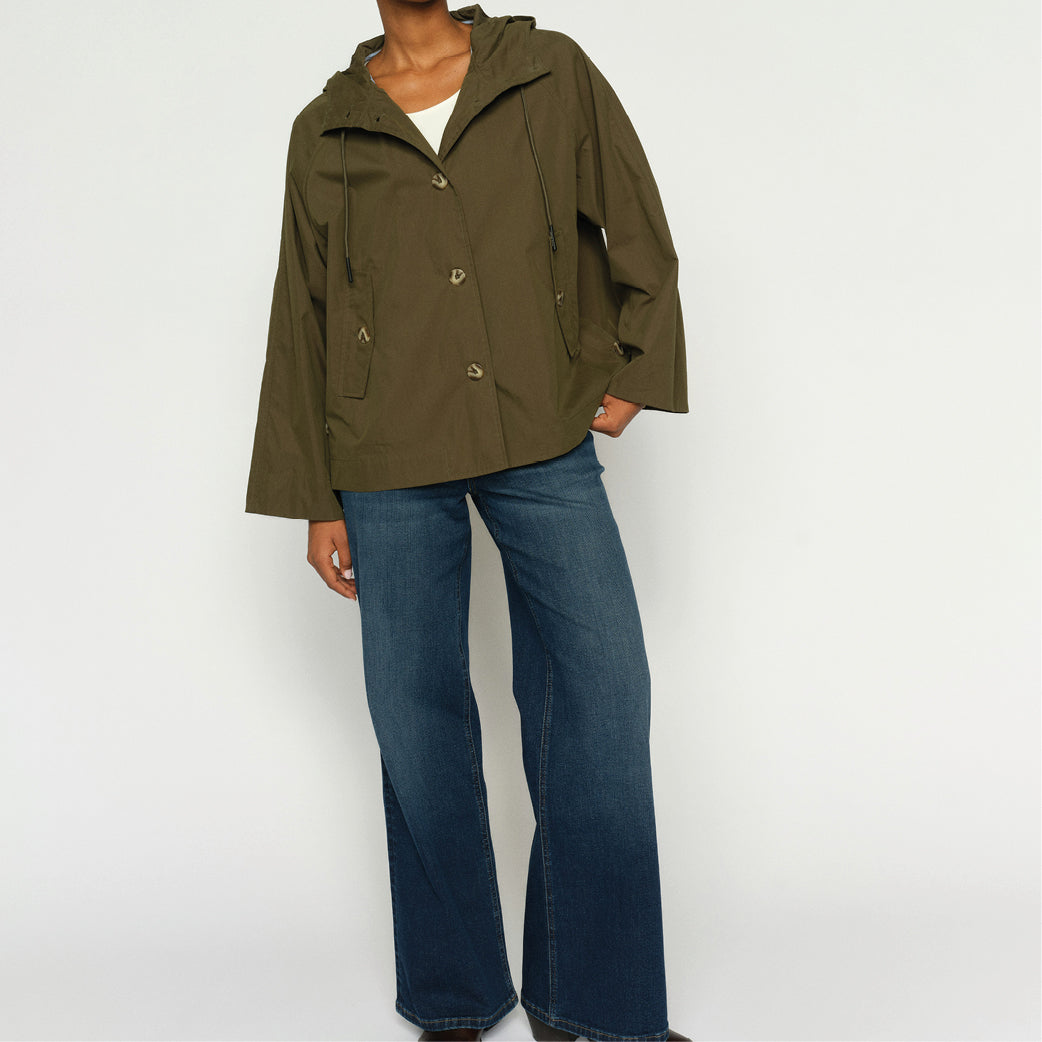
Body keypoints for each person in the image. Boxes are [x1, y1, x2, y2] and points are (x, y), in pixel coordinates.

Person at [245, 3, 690, 1039]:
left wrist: (639, 363)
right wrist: (315, 495)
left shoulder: (546, 70)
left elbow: (633, 212)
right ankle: (454, 994)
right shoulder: (327, 126)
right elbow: (302, 311)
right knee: (417, 723)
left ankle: (595, 1002)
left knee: (601, 693)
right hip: (385, 452)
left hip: (540, 427)